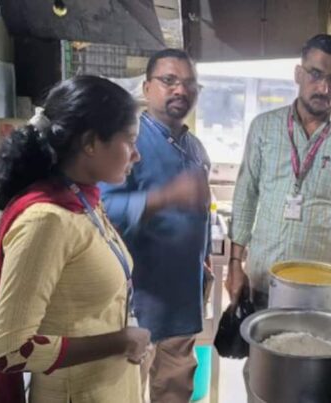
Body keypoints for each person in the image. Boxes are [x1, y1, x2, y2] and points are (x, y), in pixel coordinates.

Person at [0, 76, 154, 403]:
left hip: (108, 386)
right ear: (91, 143)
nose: (136, 155)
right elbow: (8, 351)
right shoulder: (46, 221)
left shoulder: (83, 200)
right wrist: (119, 341)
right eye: (130, 140)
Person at [227, 33, 331, 309]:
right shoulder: (264, 128)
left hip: (322, 287)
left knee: (319, 353)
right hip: (266, 279)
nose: (323, 88)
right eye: (315, 74)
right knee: (263, 353)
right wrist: (234, 263)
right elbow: (246, 194)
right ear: (298, 74)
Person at [100, 48, 211, 403]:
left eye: (190, 83)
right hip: (134, 309)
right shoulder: (126, 143)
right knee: (125, 394)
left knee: (176, 394)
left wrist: (203, 260)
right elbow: (102, 214)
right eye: (169, 81)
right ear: (147, 88)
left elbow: (199, 214)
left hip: (182, 302)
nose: (181, 90)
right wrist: (163, 198)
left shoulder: (194, 148)